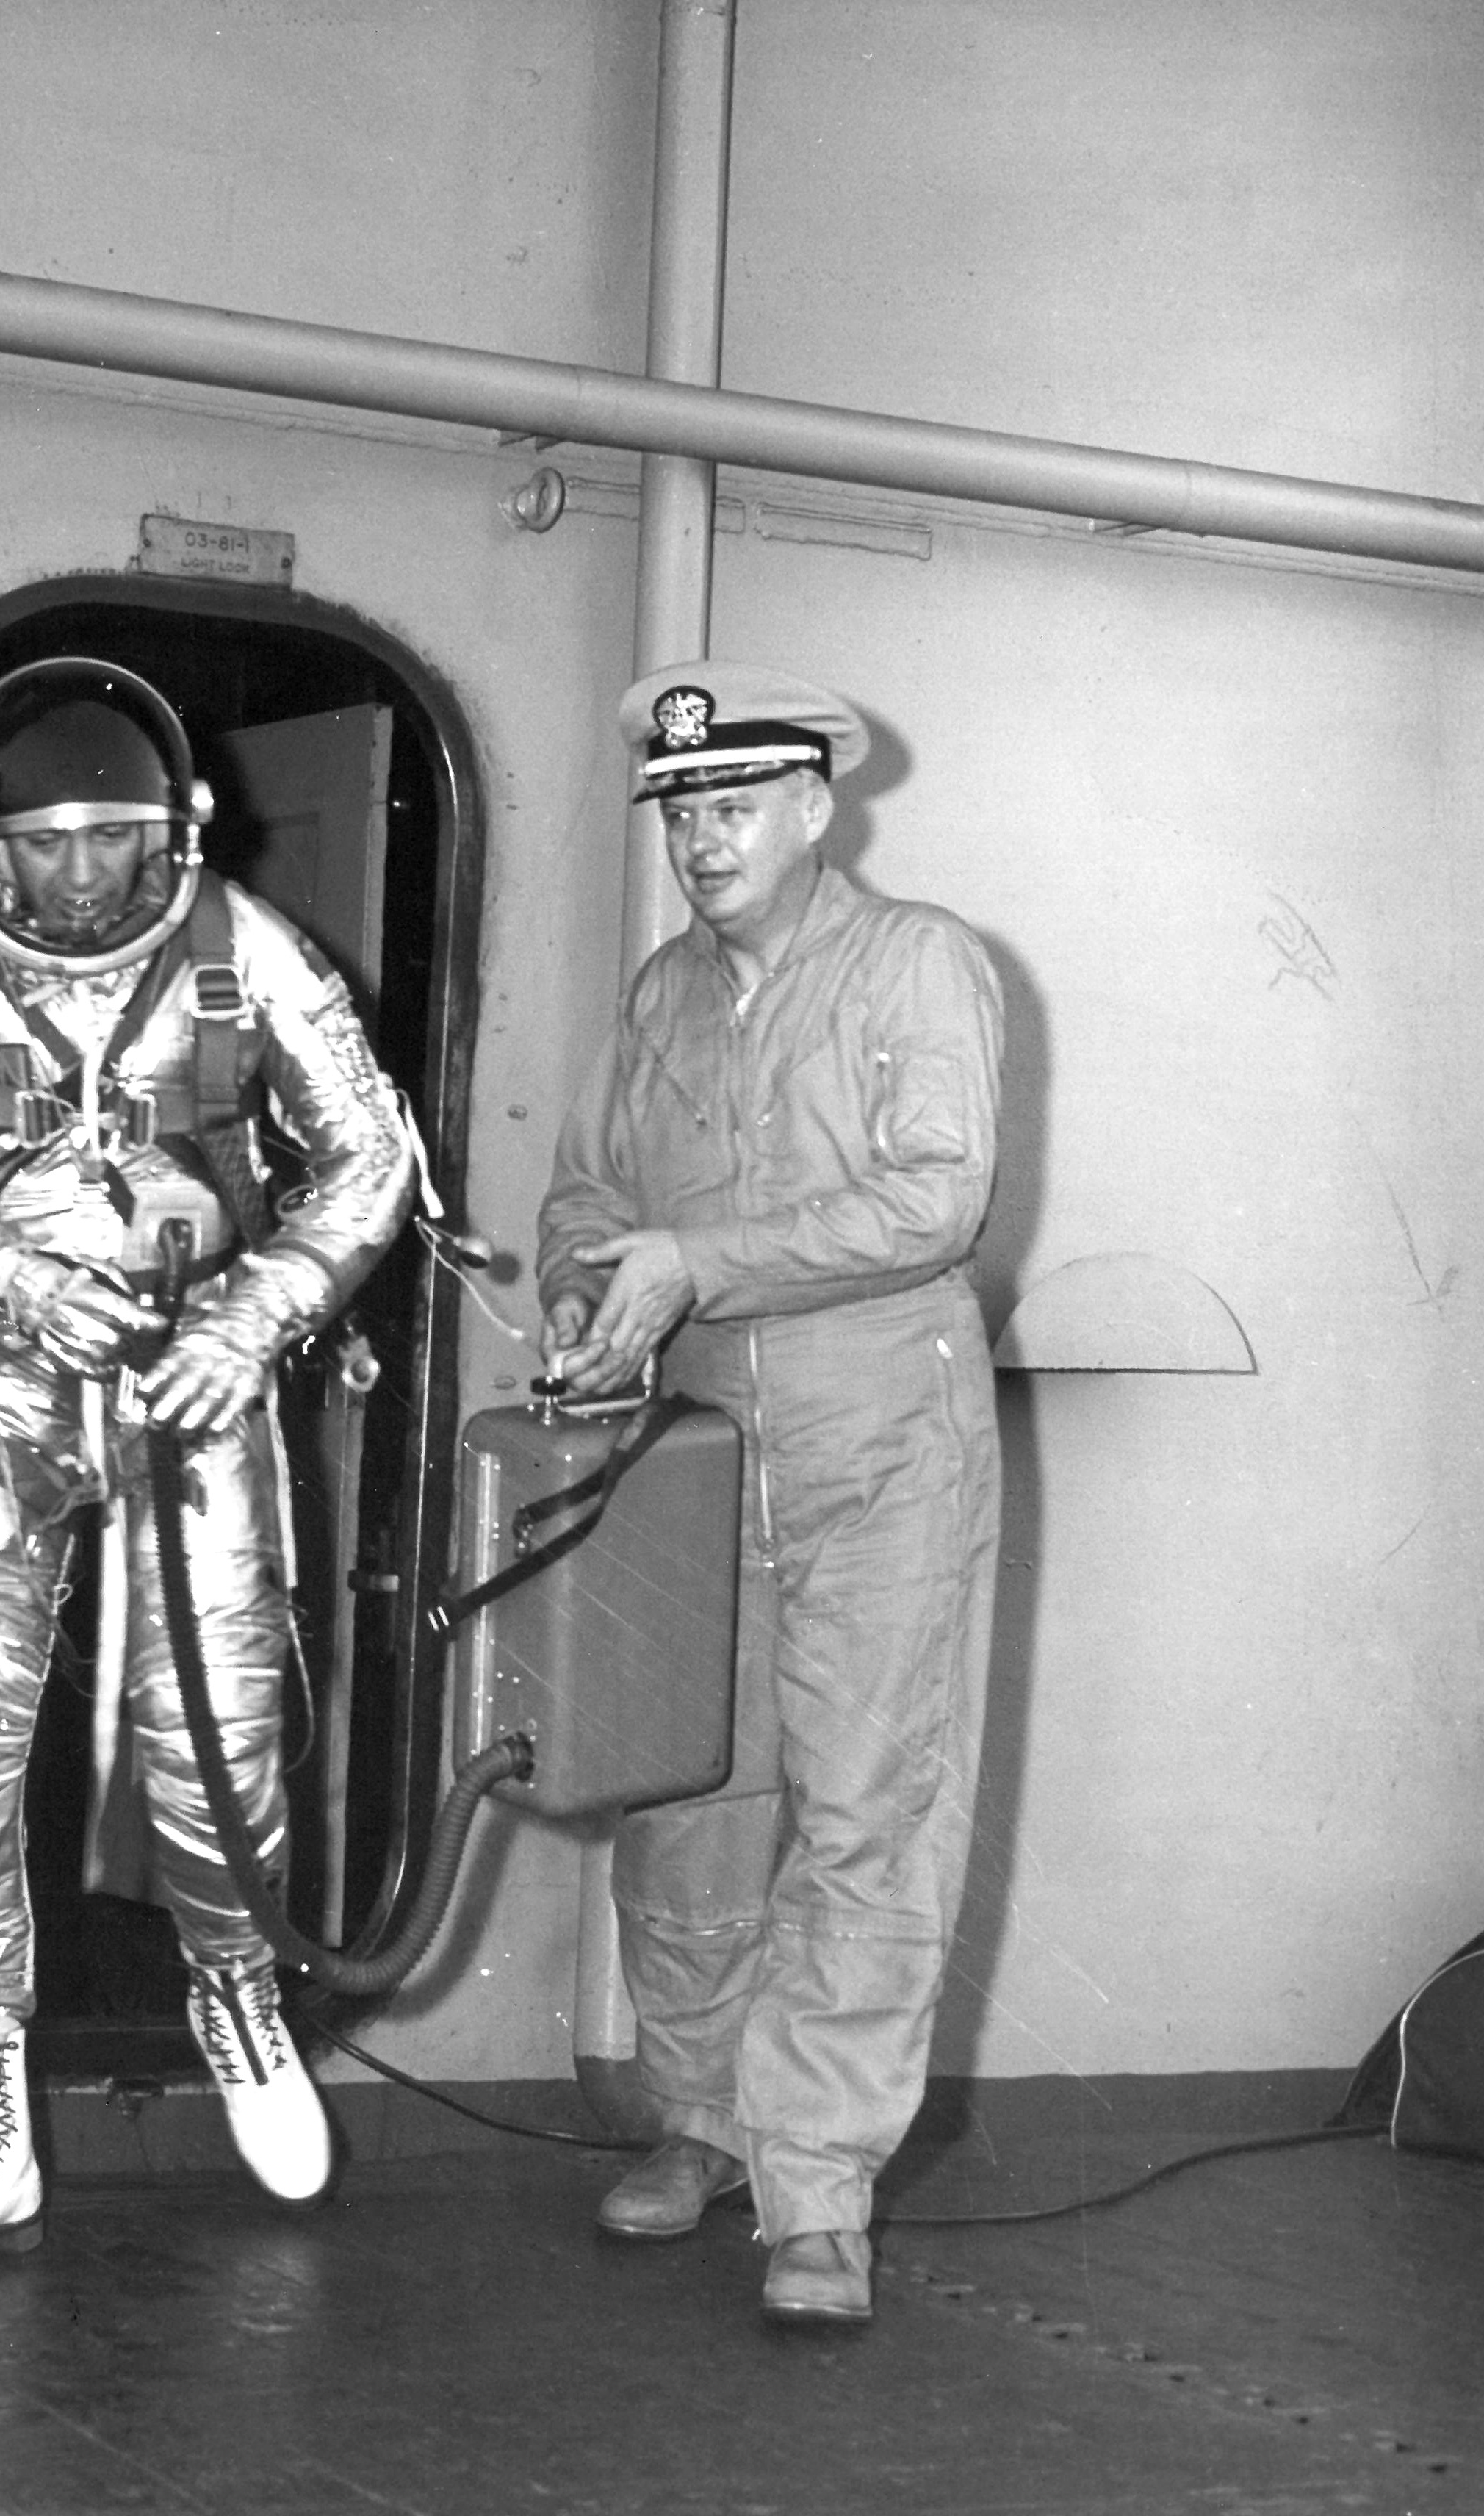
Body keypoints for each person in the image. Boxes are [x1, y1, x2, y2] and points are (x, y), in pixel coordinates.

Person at [0, 658, 414, 2275]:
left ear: (172, 833)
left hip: (193, 1378)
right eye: (47, 842)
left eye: (112, 839)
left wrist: (259, 1312)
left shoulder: (246, 951)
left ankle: (239, 1997)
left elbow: (369, 1158)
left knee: (219, 1748)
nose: (81, 876)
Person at [537, 661, 1002, 2325]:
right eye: (682, 811)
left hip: (882, 1443)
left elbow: (936, 1202)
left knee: (871, 1808)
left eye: (735, 805)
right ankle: (702, 2123)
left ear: (815, 808)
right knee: (682, 1796)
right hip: (693, 1443)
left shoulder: (915, 961)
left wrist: (692, 1262)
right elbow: (588, 1191)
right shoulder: (663, 992)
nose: (703, 839)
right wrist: (589, 1299)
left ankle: (818, 2191)